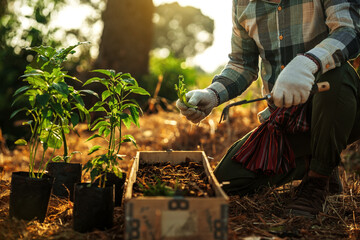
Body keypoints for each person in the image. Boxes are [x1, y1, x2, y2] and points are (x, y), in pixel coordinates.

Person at [176, 0, 360, 218]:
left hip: (334, 104)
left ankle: (318, 180)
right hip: (284, 118)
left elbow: (349, 31)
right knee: (227, 181)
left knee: (336, 74)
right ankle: (320, 159)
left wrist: (308, 63)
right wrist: (212, 94)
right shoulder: (242, 5)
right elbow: (242, 65)